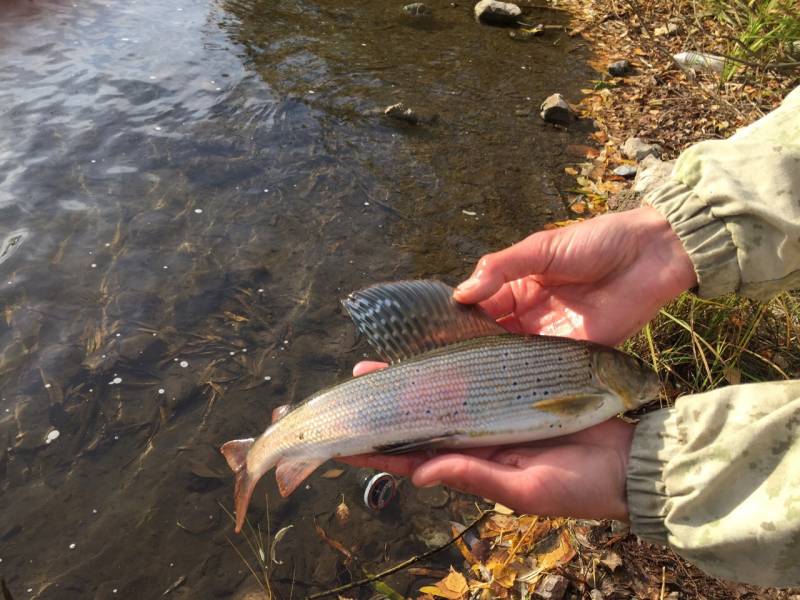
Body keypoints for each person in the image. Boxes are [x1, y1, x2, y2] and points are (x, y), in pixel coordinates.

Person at [343, 83, 800, 587]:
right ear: (610, 372)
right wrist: (661, 242)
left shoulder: (596, 388)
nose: (652, 384)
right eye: (643, 374)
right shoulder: (595, 390)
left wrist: (669, 240)